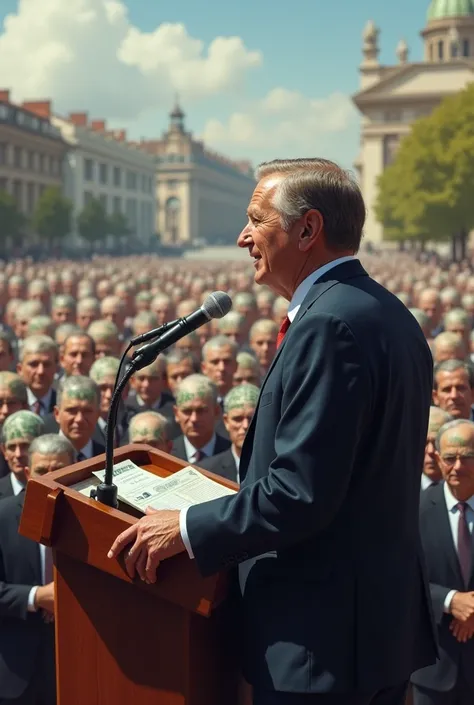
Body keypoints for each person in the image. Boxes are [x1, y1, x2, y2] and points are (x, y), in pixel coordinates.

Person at [107, 157, 436, 704]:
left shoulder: (328, 326)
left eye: (257, 220)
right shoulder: (384, 312)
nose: (242, 237)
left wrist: (186, 527)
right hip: (370, 632)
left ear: (308, 229)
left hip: (319, 645)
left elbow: (301, 493)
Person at [0, 433, 75, 704]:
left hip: (76, 665)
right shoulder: (3, 517)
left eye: (60, 470)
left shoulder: (93, 522)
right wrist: (37, 597)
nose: (50, 479)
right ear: (29, 473)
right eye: (42, 471)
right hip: (15, 674)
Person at [411, 420, 474, 704]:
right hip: (433, 667)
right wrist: (450, 601)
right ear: (437, 458)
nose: (458, 467)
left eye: (468, 457)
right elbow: (400, 578)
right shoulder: (414, 510)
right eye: (449, 458)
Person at [200, 384, 259, 483]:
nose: (245, 425)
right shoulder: (206, 472)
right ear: (226, 421)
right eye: (237, 419)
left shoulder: (279, 468)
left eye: (252, 419)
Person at [0, 410, 45, 500]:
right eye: (12, 447)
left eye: (25, 446)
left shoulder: (56, 490)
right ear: (4, 451)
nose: (18, 454)